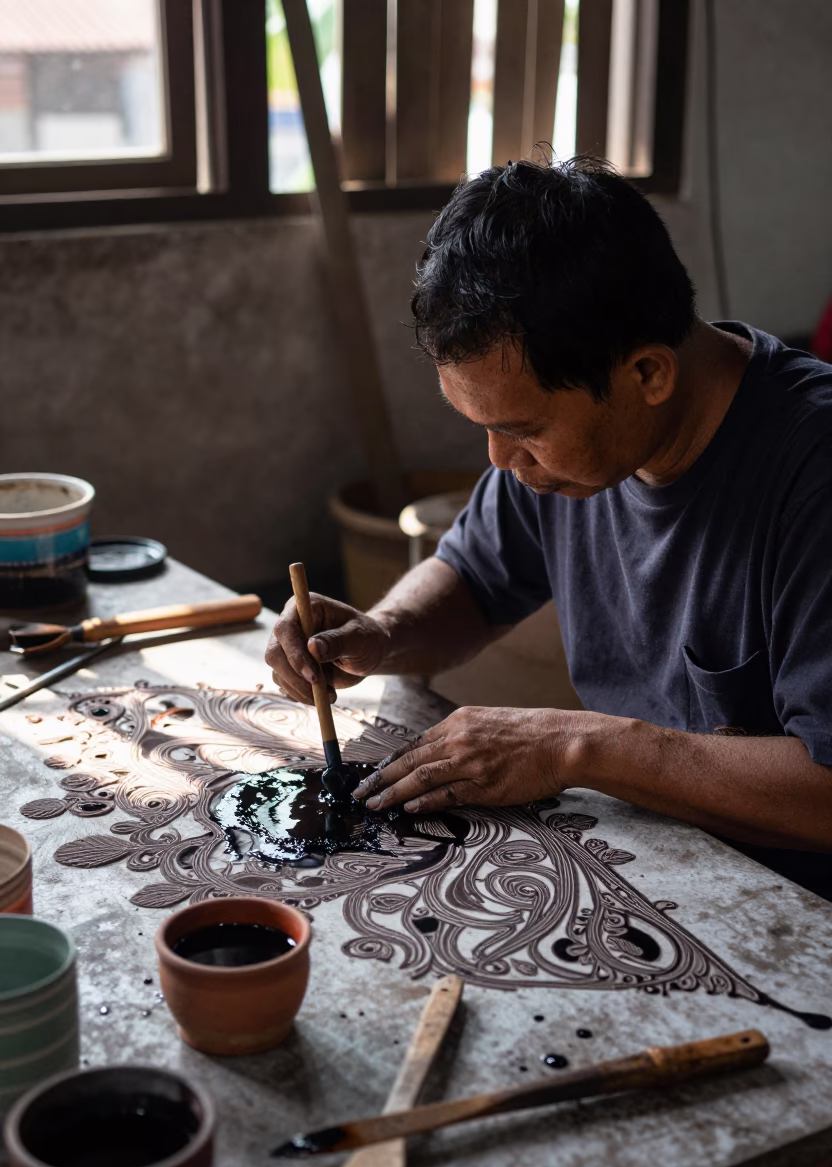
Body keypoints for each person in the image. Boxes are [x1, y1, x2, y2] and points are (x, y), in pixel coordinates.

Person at [266, 156, 832, 899]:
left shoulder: (810, 476)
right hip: (653, 860)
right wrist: (381, 631)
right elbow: (473, 577)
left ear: (648, 375)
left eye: (521, 428)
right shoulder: (573, 451)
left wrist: (575, 744)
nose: (499, 460)